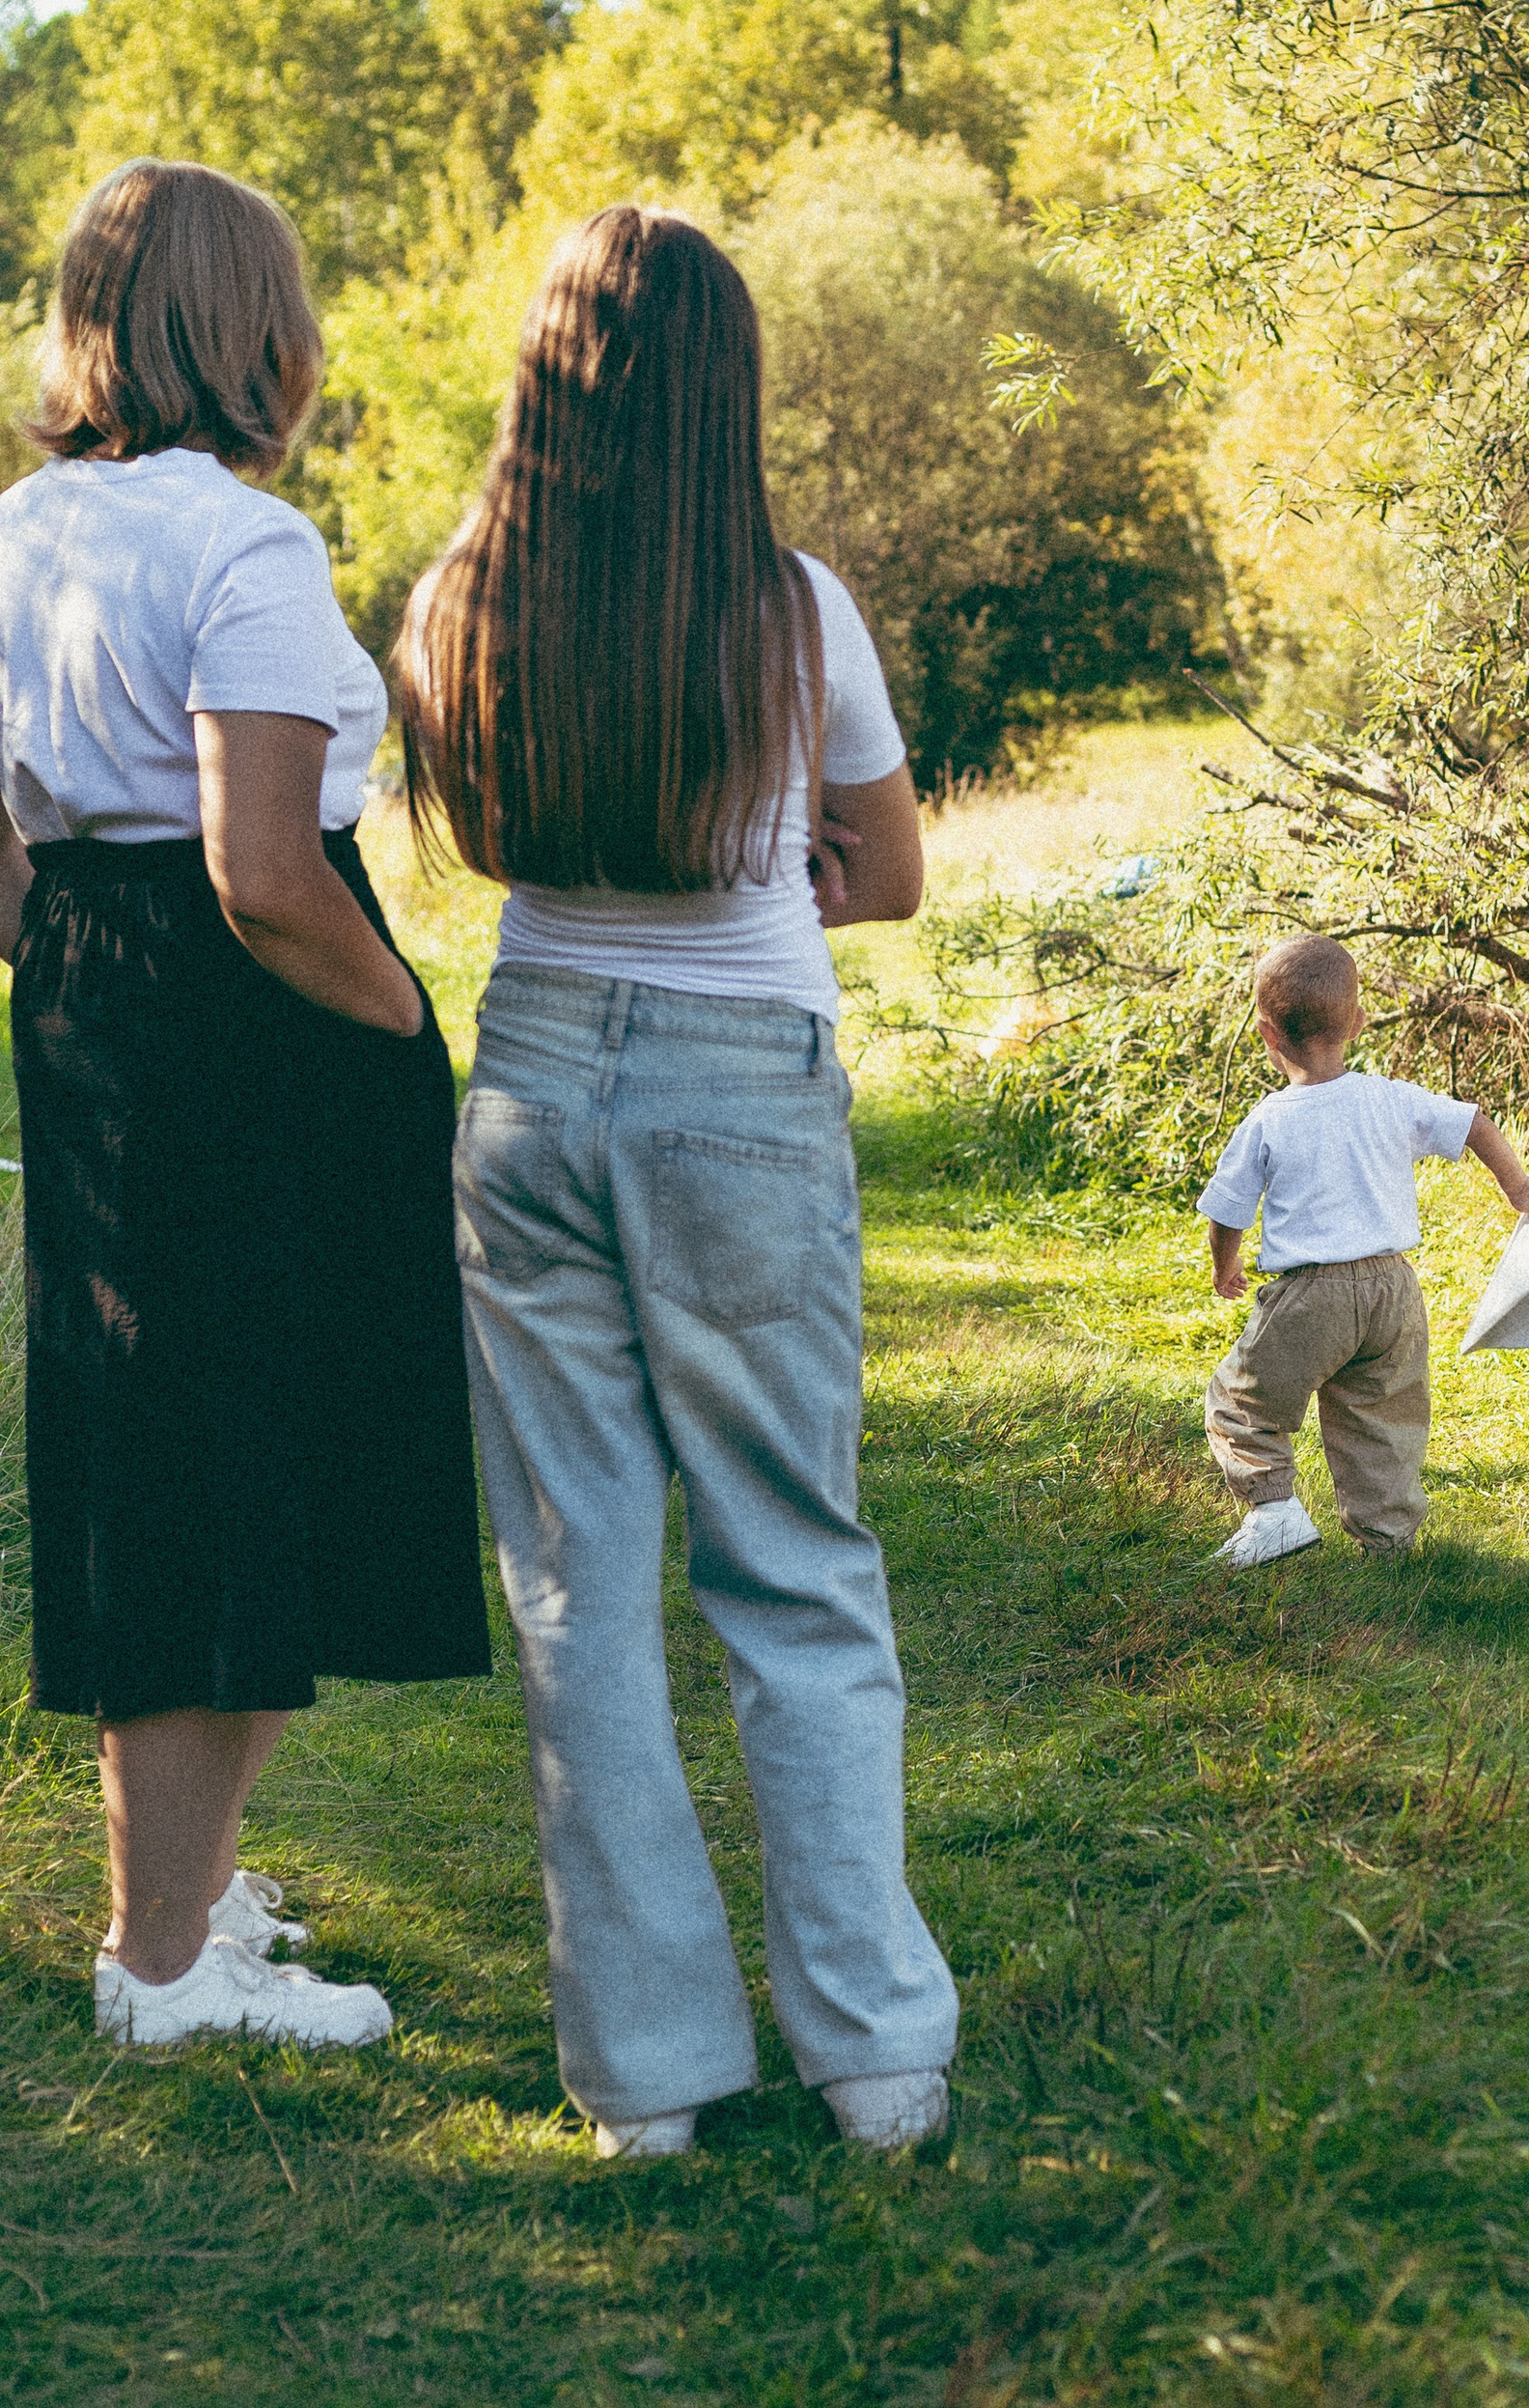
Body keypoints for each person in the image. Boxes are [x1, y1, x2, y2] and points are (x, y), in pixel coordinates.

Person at [398, 205, 957, 2161]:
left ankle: (643, 2080)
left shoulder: (457, 601)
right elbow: (888, 872)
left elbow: (490, 832)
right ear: (727, 385)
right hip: (737, 1089)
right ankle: (873, 2056)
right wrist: (772, 854)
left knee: (577, 1587)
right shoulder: (792, 611)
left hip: (532, 1079)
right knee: (792, 1559)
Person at [0, 160, 490, 2051]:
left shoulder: (19, 532)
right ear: (255, 334)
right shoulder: (244, 545)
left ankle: (185, 1909)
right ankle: (162, 1966)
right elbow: (267, 874)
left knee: (164, 1452)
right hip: (253, 1014)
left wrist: (79, 958)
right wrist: (404, 1021)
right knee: (238, 1453)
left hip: (89, 1000)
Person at [1198, 933, 1529, 1565]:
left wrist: (1226, 1266)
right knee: (1380, 1418)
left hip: (1312, 1295)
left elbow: (1227, 1211)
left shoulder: (1269, 1119)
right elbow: (1473, 1123)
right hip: (1395, 1293)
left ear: (1267, 1034)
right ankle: (1387, 1545)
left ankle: (1274, 1512)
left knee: (1240, 1404)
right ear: (1358, 1022)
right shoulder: (1390, 1098)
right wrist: (1517, 1186)